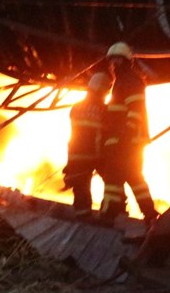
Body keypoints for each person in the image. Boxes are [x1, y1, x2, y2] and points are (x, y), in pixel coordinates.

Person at [99, 41, 158, 224]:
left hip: (127, 140)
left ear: (125, 61)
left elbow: (135, 109)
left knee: (116, 176)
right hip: (124, 139)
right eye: (112, 60)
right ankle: (148, 213)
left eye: (117, 60)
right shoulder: (122, 81)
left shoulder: (130, 80)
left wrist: (125, 134)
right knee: (130, 176)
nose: (113, 64)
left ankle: (109, 215)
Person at [64, 71, 113, 220]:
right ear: (104, 90)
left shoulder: (75, 108)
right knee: (113, 183)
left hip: (76, 155)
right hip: (98, 155)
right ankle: (109, 215)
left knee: (80, 189)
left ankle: (82, 220)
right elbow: (107, 134)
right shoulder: (105, 110)